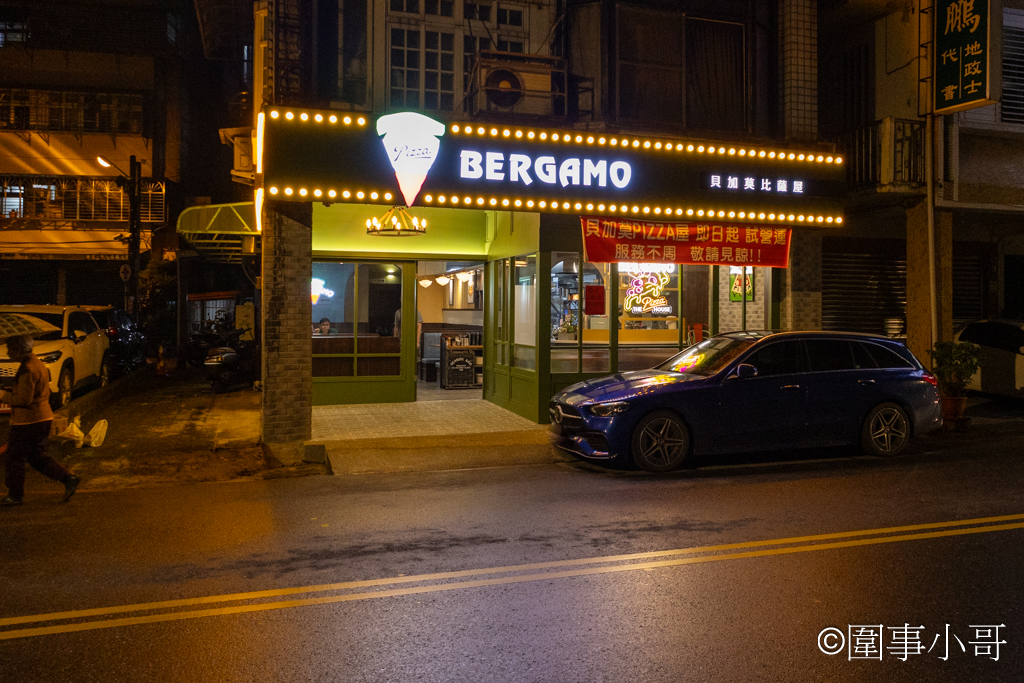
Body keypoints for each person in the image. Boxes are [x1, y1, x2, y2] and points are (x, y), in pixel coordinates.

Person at [1, 335, 80, 507]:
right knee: (36, 456)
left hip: (28, 421)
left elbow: (23, 399)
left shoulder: (28, 369)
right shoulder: (36, 364)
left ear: (18, 349)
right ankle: (68, 478)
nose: (7, 352)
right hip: (41, 418)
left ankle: (15, 494)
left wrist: (2, 395)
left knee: (14, 457)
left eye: (10, 348)